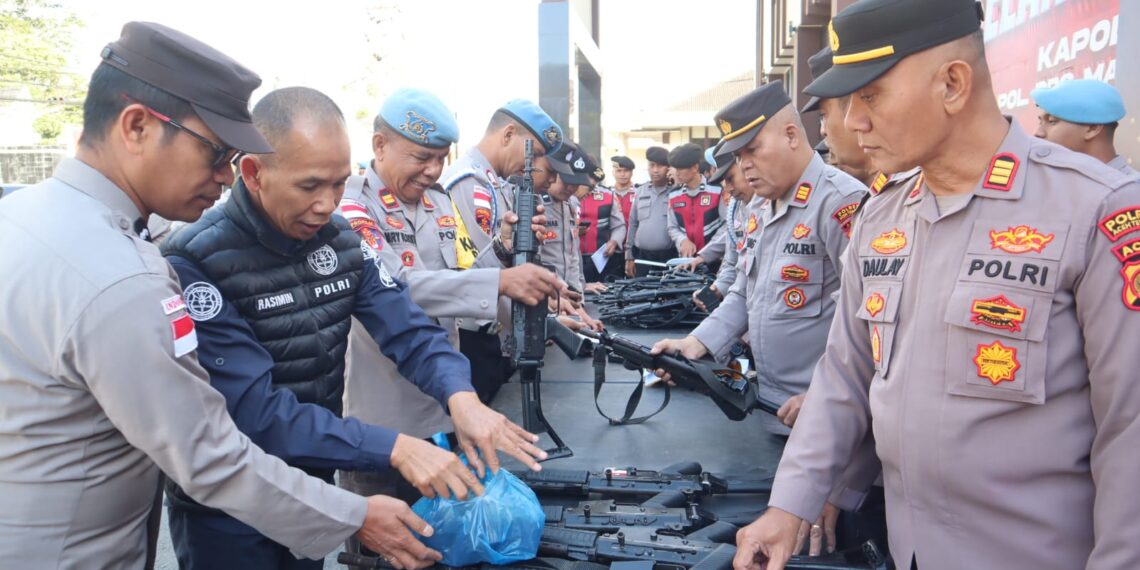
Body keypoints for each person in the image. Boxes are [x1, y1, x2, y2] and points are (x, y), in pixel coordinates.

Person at [734, 1, 1140, 568]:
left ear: (952, 83)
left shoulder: (1095, 208)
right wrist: (791, 503)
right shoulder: (881, 218)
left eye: (869, 95)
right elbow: (845, 376)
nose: (852, 122)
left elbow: (1130, 427)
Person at [0, 22, 420, 569]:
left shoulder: (23, 218)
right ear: (137, 126)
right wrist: (355, 515)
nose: (227, 177)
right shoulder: (125, 277)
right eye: (216, 153)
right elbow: (208, 454)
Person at [161, 86, 545, 570]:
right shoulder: (195, 260)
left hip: (315, 485)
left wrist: (459, 396)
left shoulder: (342, 242)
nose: (327, 204)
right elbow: (254, 413)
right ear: (254, 173)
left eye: (339, 184)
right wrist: (393, 447)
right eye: (310, 185)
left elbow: (407, 327)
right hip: (232, 506)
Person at [336, 89, 560, 520]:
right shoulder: (353, 206)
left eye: (441, 158)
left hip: (443, 403)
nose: (434, 170)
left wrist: (503, 247)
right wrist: (500, 280)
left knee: (436, 540)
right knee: (381, 541)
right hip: (381, 413)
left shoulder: (438, 203)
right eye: (422, 157)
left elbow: (461, 273)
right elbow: (396, 287)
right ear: (380, 145)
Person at [653, 79, 865, 437]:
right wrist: (697, 343)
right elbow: (743, 293)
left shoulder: (839, 202)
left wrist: (828, 393)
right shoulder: (761, 208)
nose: (745, 166)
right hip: (771, 407)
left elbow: (865, 320)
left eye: (752, 150)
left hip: (826, 415)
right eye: (738, 157)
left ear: (792, 136)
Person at [441, 100, 564, 403]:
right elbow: (478, 273)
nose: (533, 163)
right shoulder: (470, 183)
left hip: (492, 331)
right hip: (473, 333)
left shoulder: (495, 184)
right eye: (533, 152)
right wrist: (535, 326)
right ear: (508, 134)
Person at [688, 144, 756, 309]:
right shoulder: (737, 207)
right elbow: (733, 260)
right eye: (723, 181)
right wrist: (716, 289)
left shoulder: (770, 204)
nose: (727, 188)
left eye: (730, 178)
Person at [1032, 79, 1137, 176]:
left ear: (1092, 128)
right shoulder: (1059, 183)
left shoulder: (1130, 190)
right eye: (1040, 122)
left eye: (1051, 121)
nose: (1038, 133)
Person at [573, 149, 627, 285]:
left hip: (601, 259)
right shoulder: (567, 193)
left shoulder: (608, 195)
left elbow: (619, 226)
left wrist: (614, 242)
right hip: (573, 258)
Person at [666, 142, 725, 258]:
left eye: (681, 169)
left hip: (716, 261)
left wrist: (707, 253)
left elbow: (728, 225)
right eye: (675, 168)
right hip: (686, 260)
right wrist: (682, 240)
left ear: (695, 168)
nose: (676, 173)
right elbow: (672, 227)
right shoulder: (674, 195)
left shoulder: (717, 190)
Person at [625, 146, 677, 276]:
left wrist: (677, 183)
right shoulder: (641, 191)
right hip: (642, 257)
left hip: (668, 257)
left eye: (660, 166)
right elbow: (633, 224)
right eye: (651, 165)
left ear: (669, 168)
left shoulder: (676, 192)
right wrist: (629, 257)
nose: (655, 170)